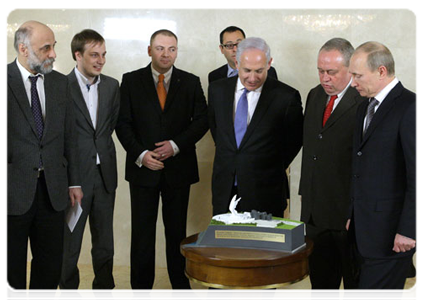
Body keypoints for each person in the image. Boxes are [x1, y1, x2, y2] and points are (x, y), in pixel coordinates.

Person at [207, 37, 303, 300]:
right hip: (225, 189)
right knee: (223, 257)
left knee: (263, 261)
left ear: (269, 64)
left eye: (259, 71)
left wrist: (262, 165)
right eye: (246, 70)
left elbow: (293, 142)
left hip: (266, 190)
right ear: (236, 63)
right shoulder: (217, 90)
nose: (252, 77)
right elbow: (219, 133)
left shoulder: (286, 97)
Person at [116, 29, 208, 300]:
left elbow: (202, 121)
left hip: (178, 171)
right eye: (160, 48)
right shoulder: (131, 81)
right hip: (143, 170)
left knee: (177, 234)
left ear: (177, 51)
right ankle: (140, 292)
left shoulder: (190, 82)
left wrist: (175, 145)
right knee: (142, 235)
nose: (166, 54)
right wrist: (142, 154)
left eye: (171, 49)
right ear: (149, 50)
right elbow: (122, 123)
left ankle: (180, 288)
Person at [5, 20, 83, 300]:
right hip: (11, 190)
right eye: (45, 48)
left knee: (49, 264)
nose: (52, 54)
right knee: (10, 266)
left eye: (54, 47)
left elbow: (69, 137)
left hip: (53, 190)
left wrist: (74, 181)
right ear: (24, 49)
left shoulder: (60, 83)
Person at [347, 41, 420, 300]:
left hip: (393, 234)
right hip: (364, 229)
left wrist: (410, 229)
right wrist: (351, 213)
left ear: (381, 71)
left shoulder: (411, 107)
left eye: (357, 75)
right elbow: (359, 165)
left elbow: (418, 175)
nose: (352, 82)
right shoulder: (363, 106)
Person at [299, 38, 365, 300]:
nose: (324, 78)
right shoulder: (315, 96)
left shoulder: (363, 100)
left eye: (331, 72)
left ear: (350, 69)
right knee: (321, 286)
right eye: (320, 71)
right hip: (316, 214)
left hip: (348, 216)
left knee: (354, 287)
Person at [59, 29, 120, 300]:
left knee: (104, 242)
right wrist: (70, 177)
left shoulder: (112, 86)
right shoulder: (59, 85)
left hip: (105, 175)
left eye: (103, 54)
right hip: (74, 178)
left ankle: (104, 291)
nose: (101, 60)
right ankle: (69, 293)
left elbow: (110, 127)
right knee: (70, 242)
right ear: (77, 55)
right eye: (94, 55)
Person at [208, 26, 278, 84]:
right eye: (229, 45)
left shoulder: (268, 71)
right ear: (222, 49)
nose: (235, 49)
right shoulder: (214, 76)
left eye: (239, 44)